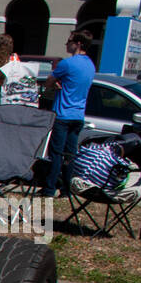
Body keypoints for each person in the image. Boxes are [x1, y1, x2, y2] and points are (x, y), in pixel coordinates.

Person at [41, 30, 96, 196]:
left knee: (56, 153)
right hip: (78, 115)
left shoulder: (67, 64)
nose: (67, 44)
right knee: (70, 154)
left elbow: (49, 81)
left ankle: (50, 188)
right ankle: (67, 189)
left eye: (69, 41)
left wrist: (56, 82)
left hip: (63, 114)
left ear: (78, 44)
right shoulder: (91, 65)